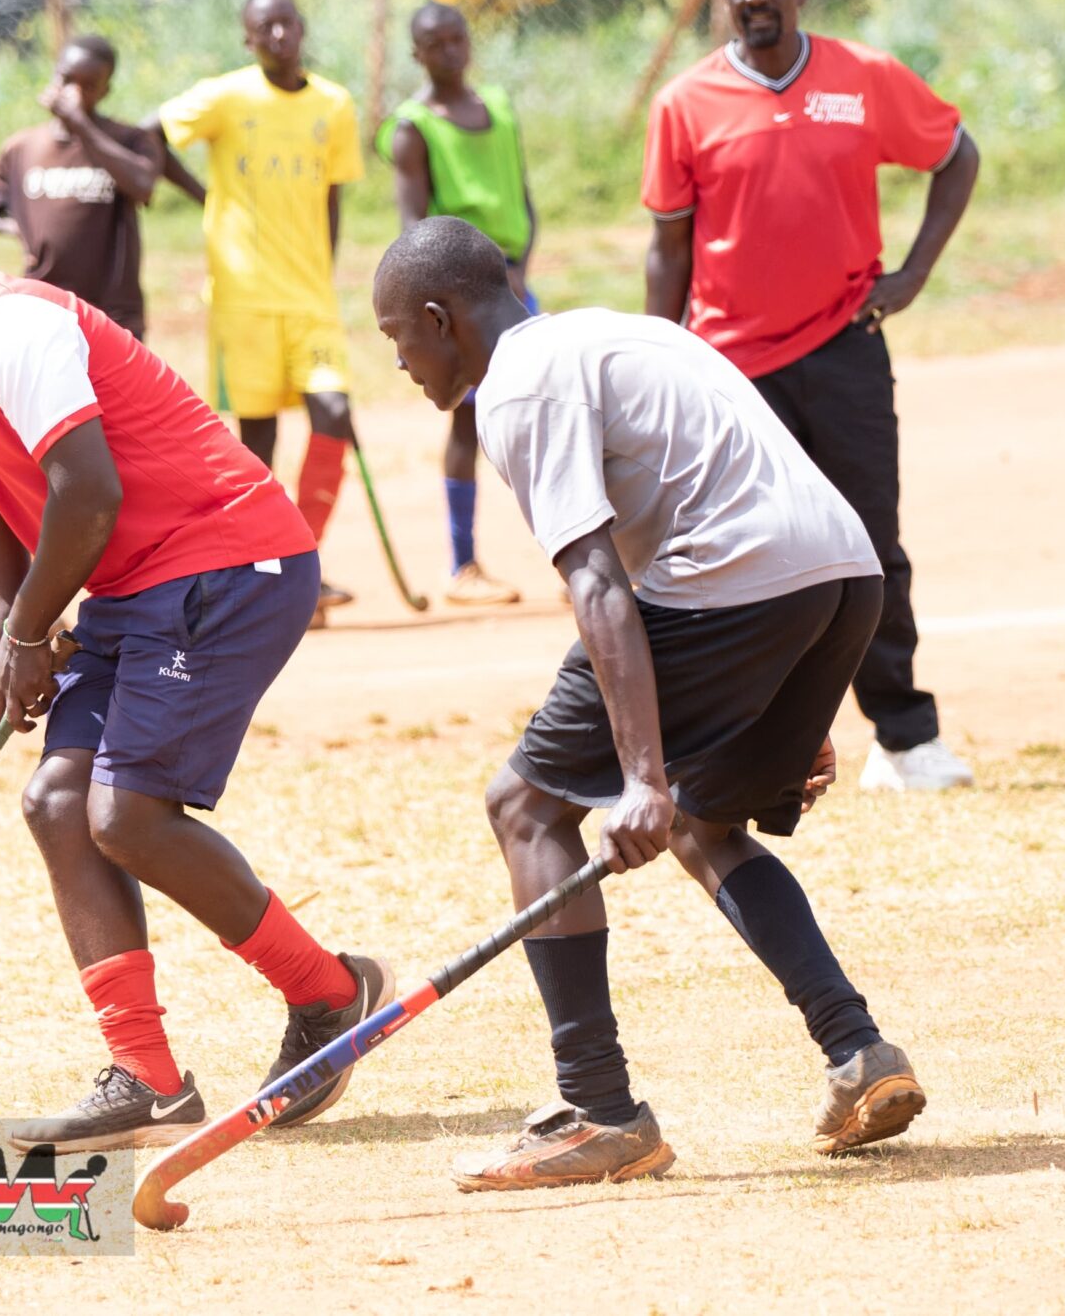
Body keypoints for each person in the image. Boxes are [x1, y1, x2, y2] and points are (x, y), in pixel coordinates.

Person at [0, 187, 389, 1152]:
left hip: (229, 557)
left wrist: (35, 637)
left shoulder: (17, 329)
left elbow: (88, 495)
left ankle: (332, 994)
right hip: (132, 584)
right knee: (55, 804)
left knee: (124, 813)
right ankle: (147, 1078)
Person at [372, 217, 927, 1189]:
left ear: (438, 315)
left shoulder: (518, 386)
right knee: (707, 821)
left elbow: (596, 584)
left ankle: (597, 1109)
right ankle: (859, 1051)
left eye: (397, 338)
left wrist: (637, 775)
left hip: (739, 578)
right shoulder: (616, 332)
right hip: (839, 571)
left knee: (525, 806)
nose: (402, 362)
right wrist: (795, 691)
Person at [643, 0, 981, 793]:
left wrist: (911, 273)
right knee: (749, 556)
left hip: (843, 348)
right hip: (732, 365)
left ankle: (906, 739)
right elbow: (668, 248)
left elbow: (956, 154)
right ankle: (760, 746)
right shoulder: (686, 102)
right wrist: (660, 356)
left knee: (871, 544)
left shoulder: (862, 77)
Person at [150, 0, 364, 624]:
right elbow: (152, 136)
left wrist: (324, 270)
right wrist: (206, 197)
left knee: (334, 415)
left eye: (286, 24)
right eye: (263, 28)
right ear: (248, 39)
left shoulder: (335, 103)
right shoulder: (226, 95)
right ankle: (266, 575)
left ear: (302, 28)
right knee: (258, 443)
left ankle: (305, 564)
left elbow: (333, 196)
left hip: (311, 300)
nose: (277, 36)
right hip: (243, 301)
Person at [381, 2, 536, 607]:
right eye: (433, 43)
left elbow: (523, 198)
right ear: (416, 54)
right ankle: (463, 563)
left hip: (514, 283)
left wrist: (519, 267)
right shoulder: (412, 125)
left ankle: (573, 553)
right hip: (460, 292)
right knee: (469, 419)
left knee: (540, 408)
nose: (448, 51)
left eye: (456, 38)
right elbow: (412, 225)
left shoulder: (497, 107)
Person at [0, 33, 160, 339]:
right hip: (43, 307)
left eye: (88, 85)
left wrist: (80, 124)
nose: (72, 93)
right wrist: (12, 228)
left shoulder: (128, 140)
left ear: (106, 90)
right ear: (54, 75)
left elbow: (143, 186)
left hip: (113, 314)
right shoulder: (22, 147)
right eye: (66, 79)